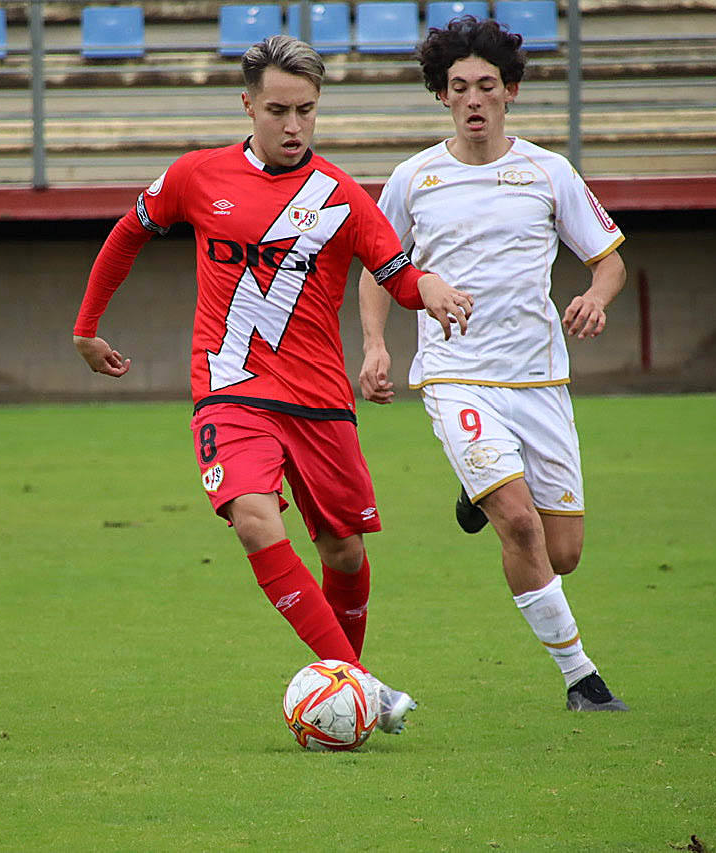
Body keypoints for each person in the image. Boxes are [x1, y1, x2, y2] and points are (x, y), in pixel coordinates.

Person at [73, 35, 474, 733]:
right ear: (248, 104)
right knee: (255, 522)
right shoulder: (198, 177)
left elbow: (398, 274)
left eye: (307, 112)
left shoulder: (340, 196)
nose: (294, 126)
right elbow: (128, 232)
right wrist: (87, 326)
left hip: (320, 401)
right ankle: (367, 691)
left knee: (344, 551)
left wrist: (430, 287)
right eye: (279, 110)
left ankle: (345, 684)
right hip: (229, 390)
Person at [357, 17, 630, 711]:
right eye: (458, 87)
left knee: (562, 551)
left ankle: (472, 486)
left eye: (486, 85)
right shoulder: (415, 177)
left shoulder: (548, 171)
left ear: (509, 91)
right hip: (455, 375)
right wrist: (378, 345)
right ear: (441, 96)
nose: (473, 99)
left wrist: (596, 296)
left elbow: (609, 259)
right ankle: (582, 679)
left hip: (539, 379)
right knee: (519, 524)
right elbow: (378, 266)